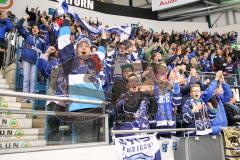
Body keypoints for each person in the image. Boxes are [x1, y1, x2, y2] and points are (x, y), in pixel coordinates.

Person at [16, 15, 46, 103]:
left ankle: (32, 98)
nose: (35, 29)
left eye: (36, 28)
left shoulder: (41, 40)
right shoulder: (27, 35)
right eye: (33, 28)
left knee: (33, 80)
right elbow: (18, 26)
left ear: (38, 30)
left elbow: (44, 52)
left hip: (36, 62)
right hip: (27, 60)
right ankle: (25, 97)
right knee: (26, 78)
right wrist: (23, 18)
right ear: (31, 29)